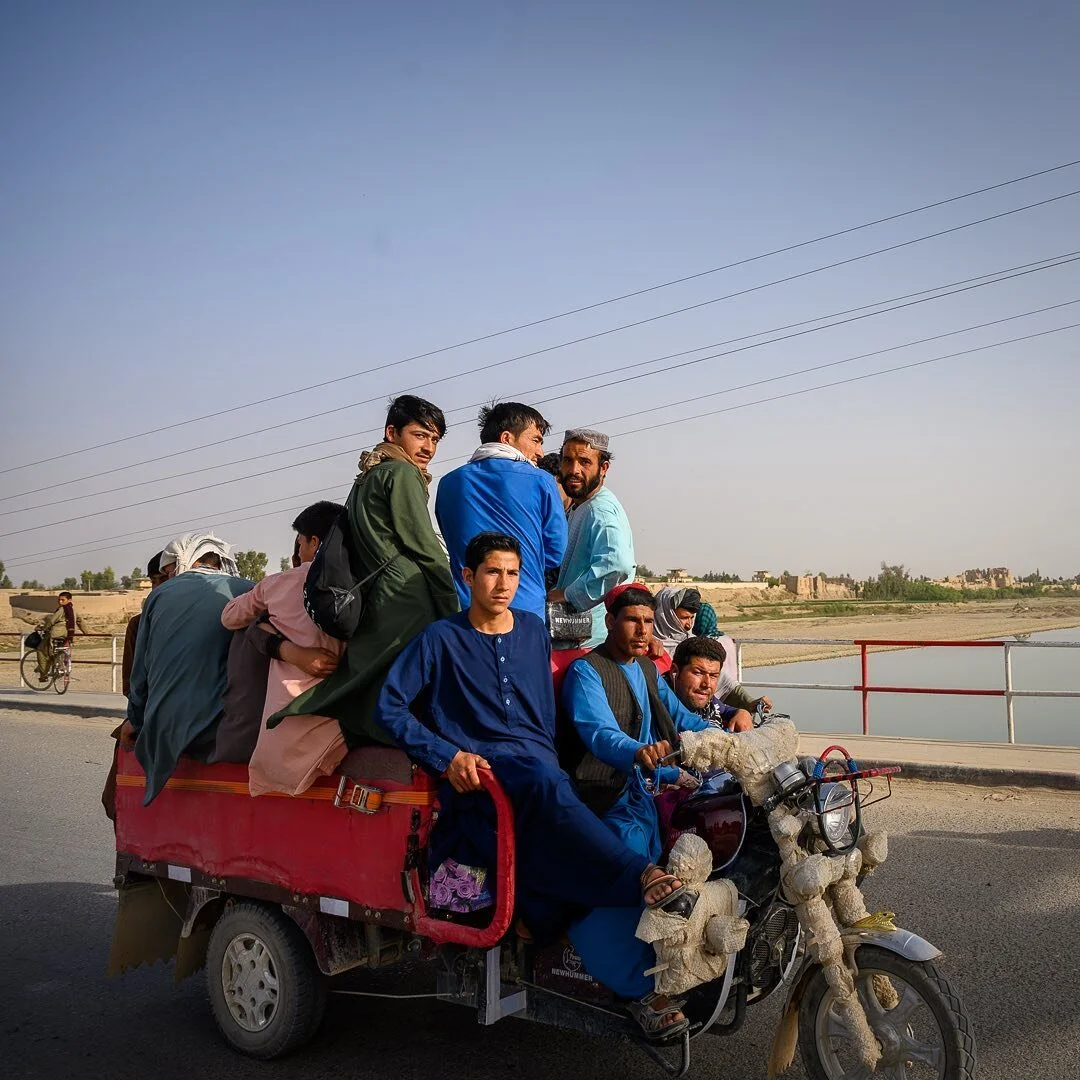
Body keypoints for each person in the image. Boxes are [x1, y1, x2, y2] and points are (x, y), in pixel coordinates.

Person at [374, 533, 685, 973]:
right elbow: (389, 706)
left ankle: (538, 922)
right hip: (488, 772)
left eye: (513, 573)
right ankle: (640, 875)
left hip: (541, 771)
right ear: (468, 576)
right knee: (548, 789)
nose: (504, 583)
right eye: (493, 572)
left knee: (561, 804)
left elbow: (541, 711)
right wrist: (447, 756)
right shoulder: (440, 639)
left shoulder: (534, 631)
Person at [561, 584, 714, 1038]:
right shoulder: (588, 673)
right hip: (601, 797)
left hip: (643, 795)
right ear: (610, 621)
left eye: (648, 622)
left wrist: (731, 737)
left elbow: (681, 718)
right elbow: (598, 733)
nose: (642, 631)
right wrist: (639, 751)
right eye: (632, 621)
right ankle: (635, 989)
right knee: (628, 880)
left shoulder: (647, 667)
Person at [268, 395, 459, 747]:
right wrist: (451, 600)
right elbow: (422, 545)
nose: (429, 447)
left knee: (375, 676)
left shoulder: (370, 474)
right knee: (414, 679)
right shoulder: (402, 473)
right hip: (407, 595)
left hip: (376, 595)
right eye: (420, 435)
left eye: (434, 440)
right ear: (392, 432)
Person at [221, 500, 348, 795]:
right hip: (339, 723)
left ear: (313, 542)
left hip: (287, 723)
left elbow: (229, 618)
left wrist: (274, 632)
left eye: (301, 541)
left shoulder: (278, 583)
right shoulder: (359, 586)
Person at [122, 533, 253, 804]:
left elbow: (140, 675)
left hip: (165, 731)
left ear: (176, 565)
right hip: (233, 730)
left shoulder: (159, 596)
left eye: (167, 572)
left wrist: (134, 720)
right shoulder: (250, 590)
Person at [435, 402, 567, 620]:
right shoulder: (541, 480)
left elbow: (450, 539)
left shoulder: (449, 482)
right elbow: (555, 552)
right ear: (506, 438)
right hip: (523, 610)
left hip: (465, 609)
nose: (540, 452)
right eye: (535, 440)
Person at [547, 429, 636, 648]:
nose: (574, 470)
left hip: (589, 643)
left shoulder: (600, 509)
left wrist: (567, 594)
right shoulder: (583, 506)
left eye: (585, 462)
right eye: (568, 460)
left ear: (603, 468)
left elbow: (617, 564)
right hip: (578, 637)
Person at [666, 636, 754, 732]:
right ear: (675, 671)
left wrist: (742, 712)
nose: (706, 684)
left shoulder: (706, 701)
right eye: (698, 673)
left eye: (713, 676)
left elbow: (724, 709)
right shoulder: (659, 702)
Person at [121, 552, 168, 697]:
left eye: (164, 580)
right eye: (154, 581)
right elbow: (130, 682)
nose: (158, 588)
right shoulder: (138, 624)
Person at [33, 591, 86, 681]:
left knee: (41, 651)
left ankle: (43, 674)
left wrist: (43, 628)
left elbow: (51, 621)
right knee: (54, 651)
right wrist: (86, 632)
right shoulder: (73, 610)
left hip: (56, 633)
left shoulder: (62, 609)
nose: (60, 602)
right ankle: (55, 664)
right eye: (59, 600)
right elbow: (80, 621)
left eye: (62, 600)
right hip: (67, 634)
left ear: (69, 600)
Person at [650, 586, 701, 656]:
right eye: (684, 618)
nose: (689, 625)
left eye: (692, 618)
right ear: (666, 616)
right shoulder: (644, 647)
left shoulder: (696, 647)